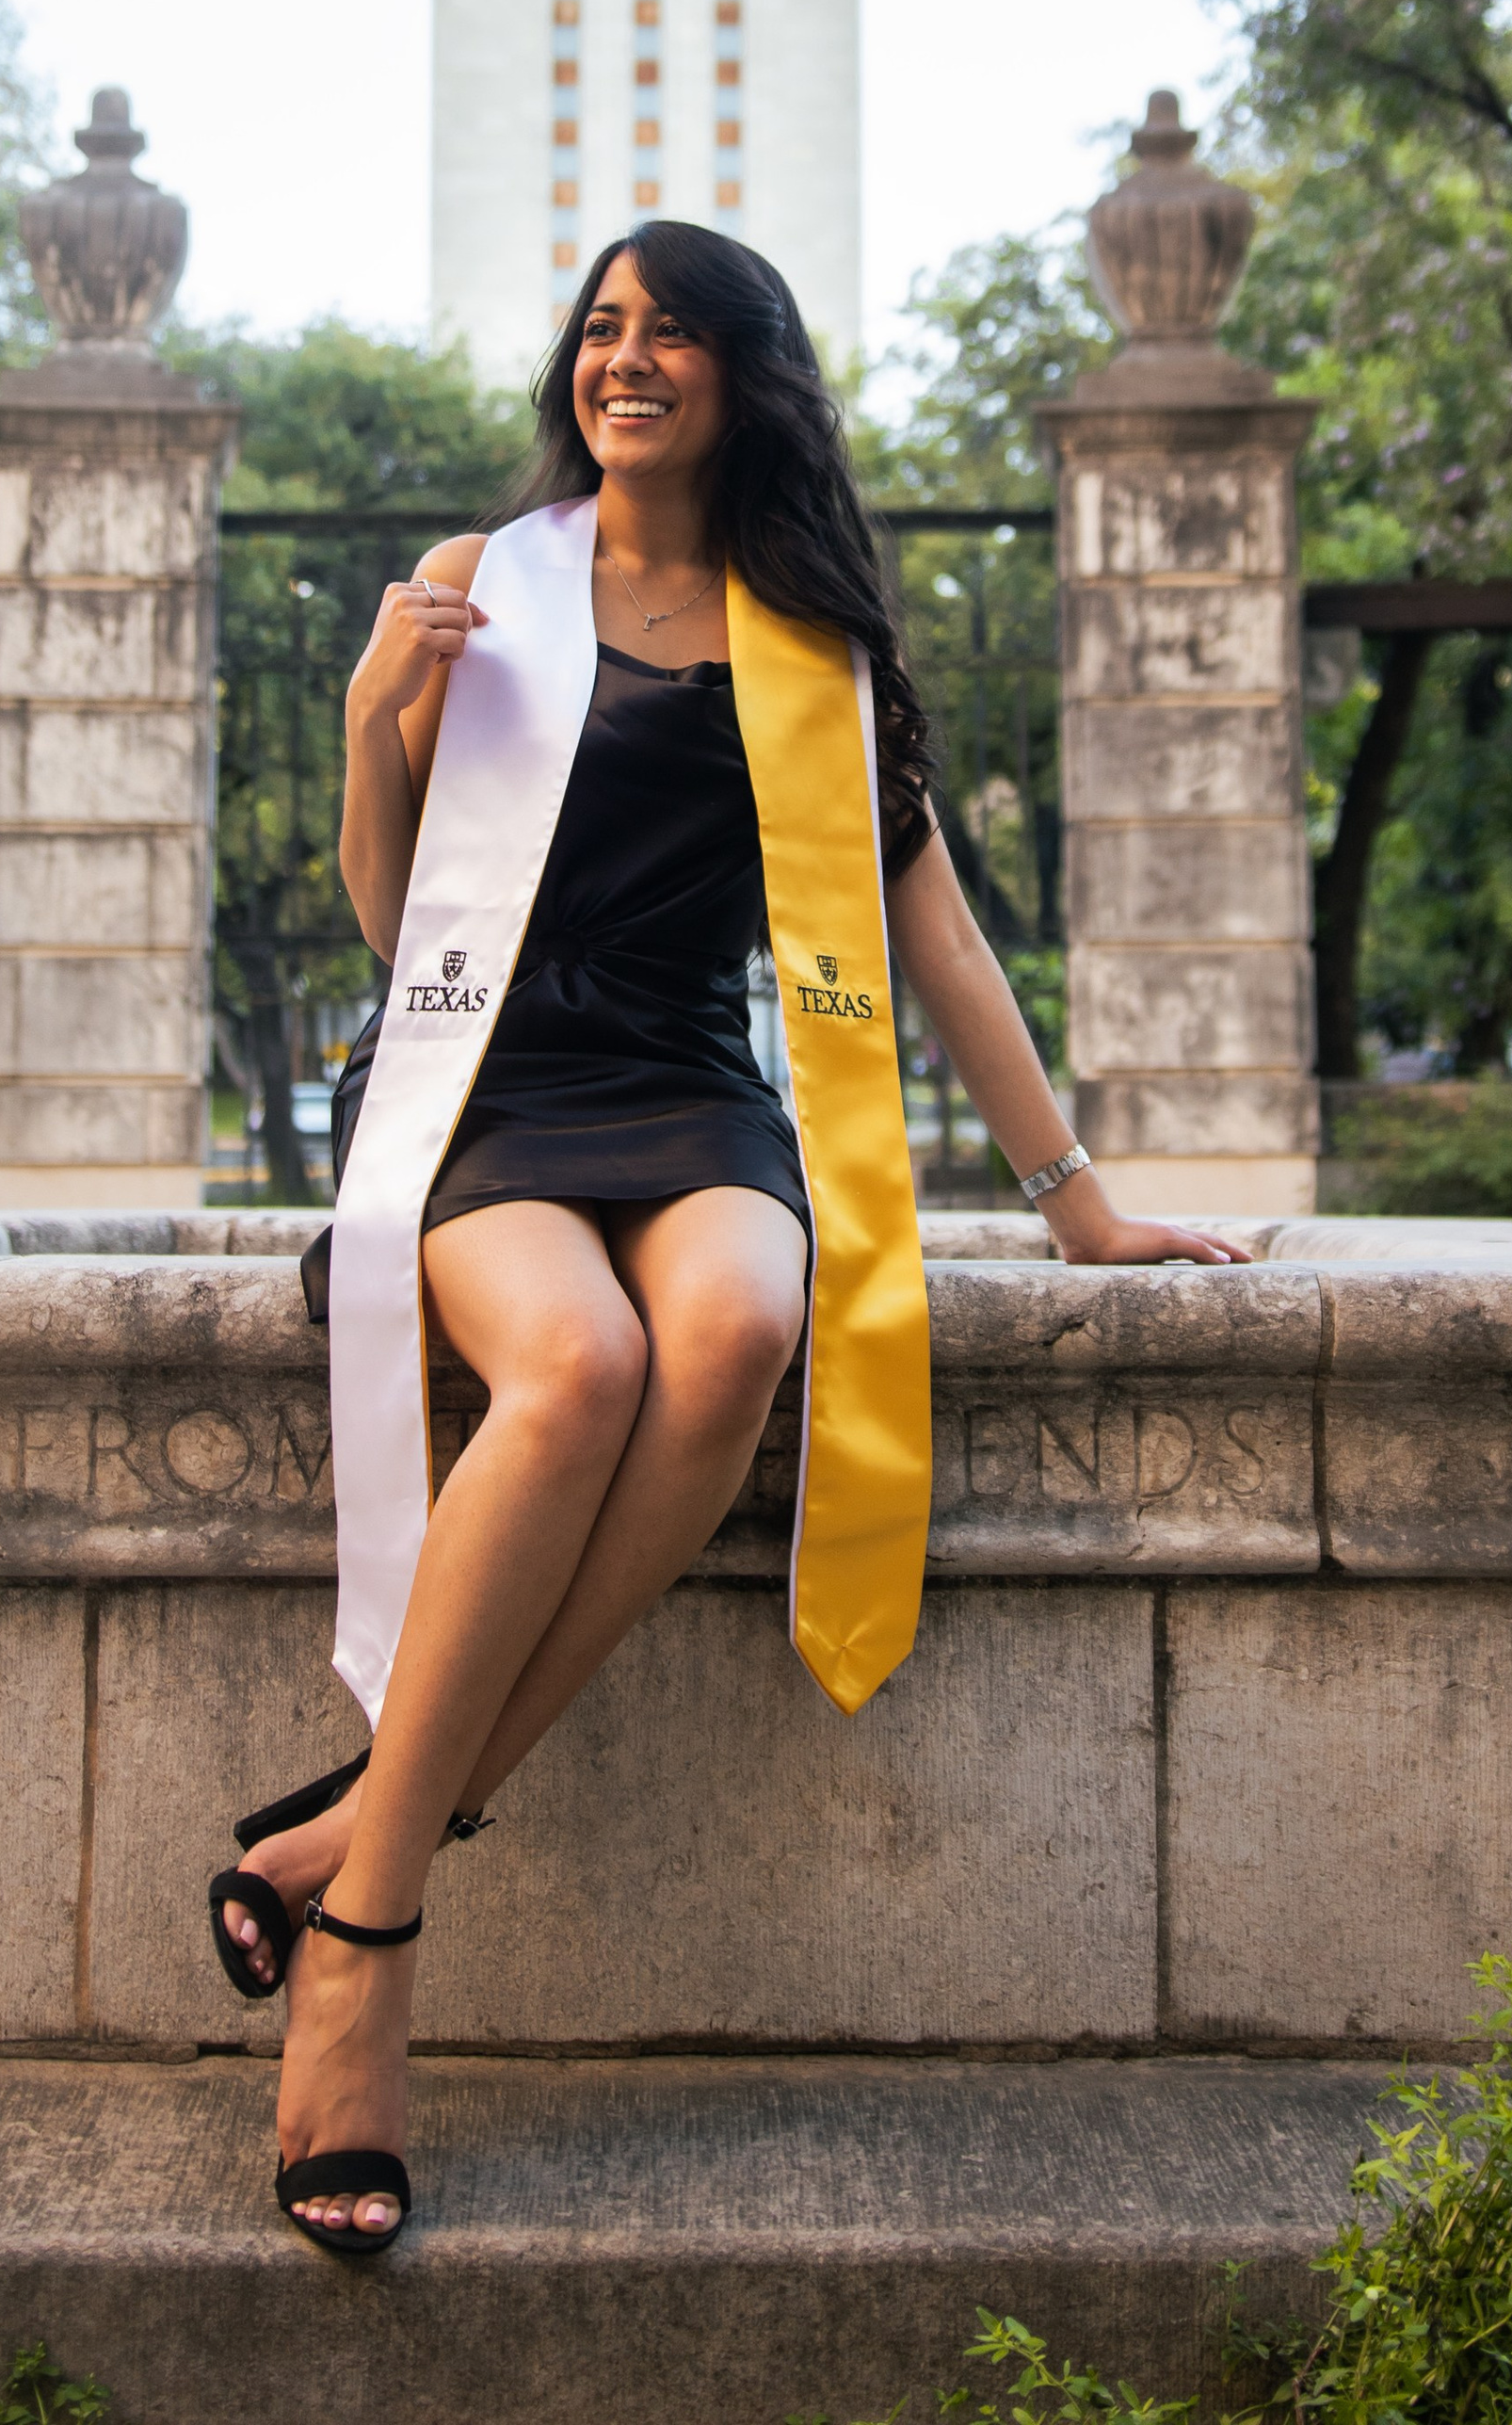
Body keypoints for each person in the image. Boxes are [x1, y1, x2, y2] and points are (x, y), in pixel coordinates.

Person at [210, 222, 1247, 2252]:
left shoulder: (810, 629)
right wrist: (365, 721)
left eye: (665, 328)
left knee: (737, 1320)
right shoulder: (485, 587)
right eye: (599, 328)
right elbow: (391, 909)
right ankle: (368, 1934)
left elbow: (928, 928)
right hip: (486, 1081)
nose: (623, 356)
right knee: (577, 1364)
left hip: (689, 1090)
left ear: (739, 374)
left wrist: (1079, 1199)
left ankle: (344, 1827)